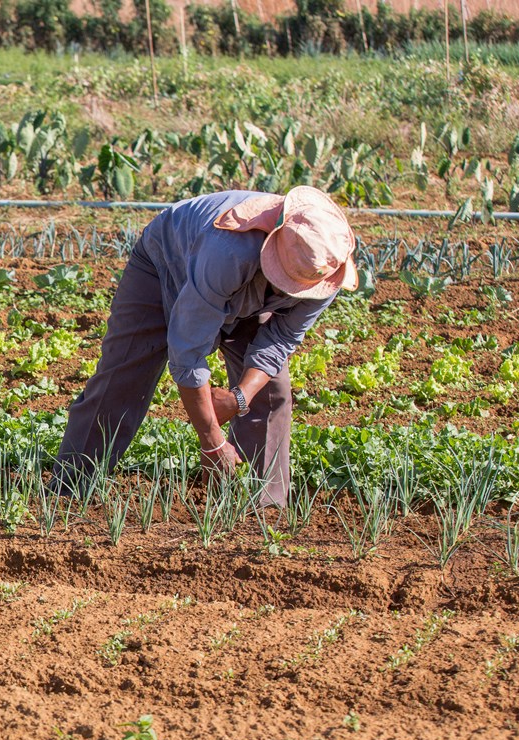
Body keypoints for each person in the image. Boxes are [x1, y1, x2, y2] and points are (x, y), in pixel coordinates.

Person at [54, 185, 358, 506]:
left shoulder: (325, 265)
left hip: (251, 295)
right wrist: (212, 442)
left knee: (272, 392)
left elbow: (279, 340)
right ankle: (70, 490)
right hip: (168, 268)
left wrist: (238, 398)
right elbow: (188, 350)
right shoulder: (228, 250)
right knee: (123, 376)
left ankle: (265, 509)